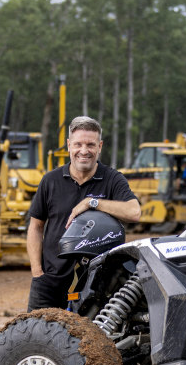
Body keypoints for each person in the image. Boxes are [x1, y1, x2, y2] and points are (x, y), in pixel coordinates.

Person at [26, 116, 141, 311]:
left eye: (90, 144)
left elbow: (134, 212)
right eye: (78, 144)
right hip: (50, 281)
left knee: (94, 341)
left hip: (99, 285)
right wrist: (37, 272)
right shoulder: (50, 181)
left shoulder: (112, 179)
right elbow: (36, 227)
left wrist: (93, 203)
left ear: (100, 146)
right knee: (35, 336)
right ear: (69, 145)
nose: (84, 151)